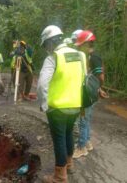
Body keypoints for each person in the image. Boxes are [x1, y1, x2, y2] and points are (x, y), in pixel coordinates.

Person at [37, 25, 86, 182]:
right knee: (68, 134)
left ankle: (60, 176)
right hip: (75, 106)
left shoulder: (54, 58)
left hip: (57, 109)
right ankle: (69, 165)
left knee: (59, 139)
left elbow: (42, 84)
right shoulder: (79, 55)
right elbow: (84, 79)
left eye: (46, 44)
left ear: (51, 42)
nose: (46, 48)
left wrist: (44, 104)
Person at [73, 30, 108, 159]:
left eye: (81, 45)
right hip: (89, 92)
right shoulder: (87, 57)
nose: (79, 47)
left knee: (82, 120)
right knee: (86, 119)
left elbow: (101, 76)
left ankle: (81, 147)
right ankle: (87, 143)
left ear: (87, 44)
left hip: (88, 94)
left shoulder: (94, 57)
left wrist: (98, 88)